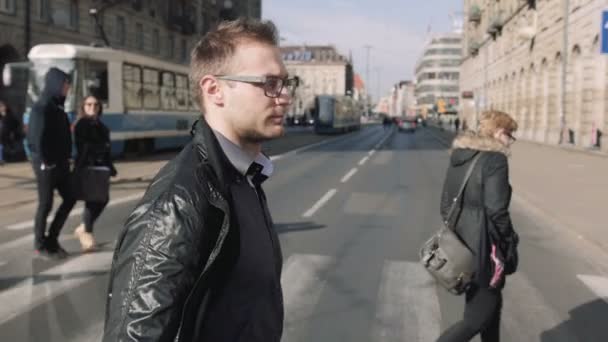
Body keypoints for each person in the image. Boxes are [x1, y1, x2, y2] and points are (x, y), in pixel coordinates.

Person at [103, 18, 298, 341]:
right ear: (214, 89)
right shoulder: (178, 204)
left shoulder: (243, 177)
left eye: (287, 83)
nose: (285, 96)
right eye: (269, 83)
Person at [437, 110, 520, 342]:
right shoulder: (495, 160)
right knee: (476, 319)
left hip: (461, 247)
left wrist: (459, 236)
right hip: (487, 249)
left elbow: (445, 205)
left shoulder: (461, 155)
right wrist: (508, 239)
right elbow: (496, 209)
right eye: (510, 136)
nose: (510, 142)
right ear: (499, 132)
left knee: (490, 311)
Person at [27, 67, 76, 259]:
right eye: (65, 85)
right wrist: (45, 162)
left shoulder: (58, 108)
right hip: (46, 166)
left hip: (61, 165)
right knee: (45, 204)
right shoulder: (42, 108)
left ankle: (52, 239)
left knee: (70, 198)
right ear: (55, 84)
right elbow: (35, 139)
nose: (67, 89)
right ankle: (40, 244)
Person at [72, 95, 117, 252]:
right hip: (88, 166)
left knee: (103, 199)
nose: (92, 107)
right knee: (92, 201)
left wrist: (111, 166)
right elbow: (85, 145)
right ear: (83, 107)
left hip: (102, 168)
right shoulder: (81, 124)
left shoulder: (102, 126)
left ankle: (84, 226)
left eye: (96, 104)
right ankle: (87, 235)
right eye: (89, 104)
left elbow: (106, 148)